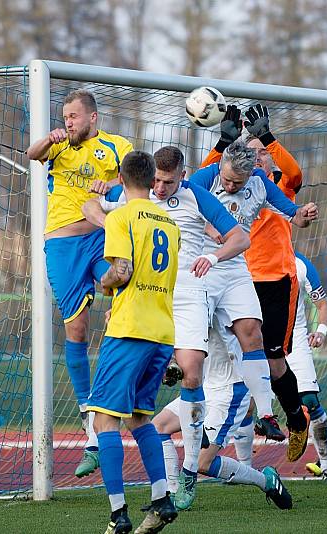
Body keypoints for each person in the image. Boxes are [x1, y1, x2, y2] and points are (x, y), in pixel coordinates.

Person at [82, 145, 249, 511]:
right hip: (154, 306)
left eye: (168, 181)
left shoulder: (194, 197)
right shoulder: (135, 205)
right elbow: (90, 206)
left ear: (182, 177)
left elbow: (239, 237)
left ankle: (184, 473)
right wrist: (106, 218)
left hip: (177, 296)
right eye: (155, 180)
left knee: (187, 376)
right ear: (146, 178)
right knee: (141, 415)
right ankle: (163, 490)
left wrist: (213, 254)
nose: (160, 187)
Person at [26, 89, 133, 477]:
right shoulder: (58, 148)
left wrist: (114, 188)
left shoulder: (116, 146)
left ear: (92, 117)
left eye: (73, 116)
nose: (68, 121)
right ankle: (90, 415)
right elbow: (32, 155)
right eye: (64, 116)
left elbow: (137, 181)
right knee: (77, 328)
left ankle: (154, 361)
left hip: (102, 236)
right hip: (63, 245)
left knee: (127, 291)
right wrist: (48, 138)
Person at [192, 136, 318, 463]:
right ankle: (248, 441)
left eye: (262, 152)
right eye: (251, 151)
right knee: (231, 363)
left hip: (275, 280)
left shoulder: (274, 183)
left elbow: (297, 211)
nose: (257, 156)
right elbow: (195, 182)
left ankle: (294, 416)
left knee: (272, 358)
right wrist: (223, 141)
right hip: (233, 276)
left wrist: (271, 141)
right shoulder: (217, 177)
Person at [87, 151, 180, 534]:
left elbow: (121, 271)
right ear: (149, 178)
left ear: (122, 181)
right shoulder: (170, 224)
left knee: (104, 418)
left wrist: (104, 281)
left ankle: (118, 514)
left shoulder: (120, 217)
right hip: (162, 333)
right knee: (141, 418)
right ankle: (161, 499)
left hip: (129, 331)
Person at [152, 317, 293, 510]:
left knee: (202, 463)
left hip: (230, 390)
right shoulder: (183, 305)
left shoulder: (220, 300)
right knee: (158, 427)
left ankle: (266, 480)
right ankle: (173, 491)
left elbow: (251, 338)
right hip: (203, 388)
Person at [286, 251, 327, 482]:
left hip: (294, 342)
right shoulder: (247, 257)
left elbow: (323, 305)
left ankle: (326, 465)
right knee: (245, 404)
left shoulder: (300, 263)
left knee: (310, 402)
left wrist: (321, 331)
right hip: (256, 342)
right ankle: (243, 468)